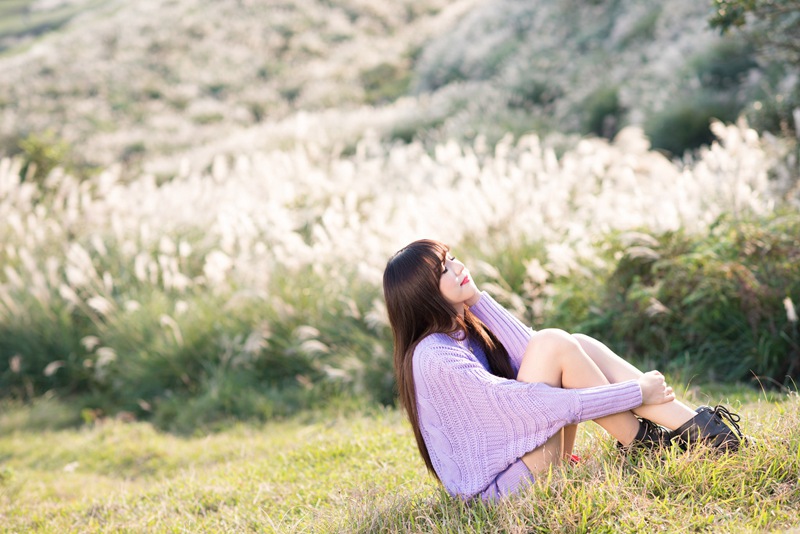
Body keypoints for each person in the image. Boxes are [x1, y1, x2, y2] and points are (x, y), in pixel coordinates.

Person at [382, 239, 747, 500]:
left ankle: (700, 430)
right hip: (500, 489)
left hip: (524, 460)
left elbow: (530, 353)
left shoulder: (461, 329)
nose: (458, 267)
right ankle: (653, 442)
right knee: (555, 342)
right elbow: (535, 404)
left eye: (453, 258)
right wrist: (637, 392)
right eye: (443, 270)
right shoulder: (433, 356)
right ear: (423, 294)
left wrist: (477, 300)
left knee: (575, 343)